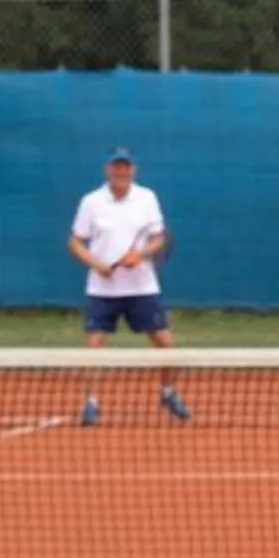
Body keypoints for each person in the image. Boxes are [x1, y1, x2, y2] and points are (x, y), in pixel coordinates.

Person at [68, 147, 191, 425]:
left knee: (165, 344)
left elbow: (159, 238)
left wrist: (141, 255)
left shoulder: (147, 198)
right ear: (107, 170)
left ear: (133, 170)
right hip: (102, 290)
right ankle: (91, 403)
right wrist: (96, 263)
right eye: (116, 167)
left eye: (126, 167)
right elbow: (75, 241)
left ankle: (169, 392)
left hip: (142, 288)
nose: (121, 172)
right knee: (94, 348)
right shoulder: (91, 201)